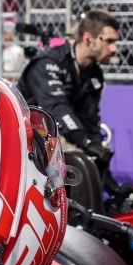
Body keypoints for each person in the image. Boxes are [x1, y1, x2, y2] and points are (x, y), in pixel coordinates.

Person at [17, 10, 118, 183]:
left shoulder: (94, 73)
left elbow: (89, 120)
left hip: (53, 138)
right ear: (88, 38)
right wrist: (86, 143)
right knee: (76, 156)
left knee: (89, 160)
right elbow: (56, 109)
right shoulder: (48, 62)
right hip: (25, 140)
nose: (114, 48)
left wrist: (104, 171)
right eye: (109, 41)